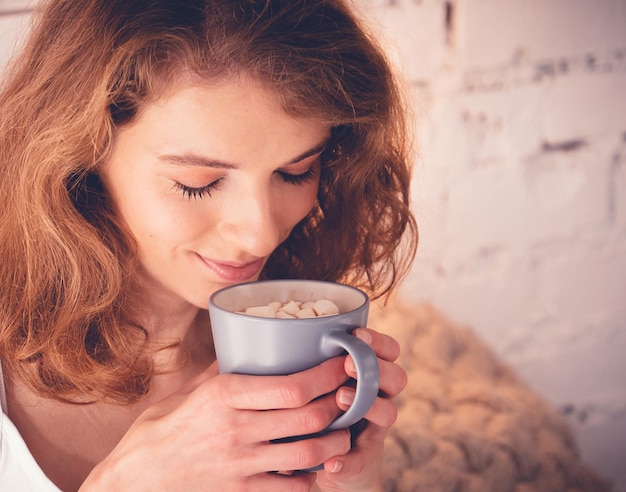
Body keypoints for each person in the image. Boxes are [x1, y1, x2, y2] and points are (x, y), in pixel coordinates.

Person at [0, 0, 418, 490]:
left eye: (295, 172)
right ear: (77, 158)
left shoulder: (296, 352)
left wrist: (349, 482)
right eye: (197, 183)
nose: (259, 234)